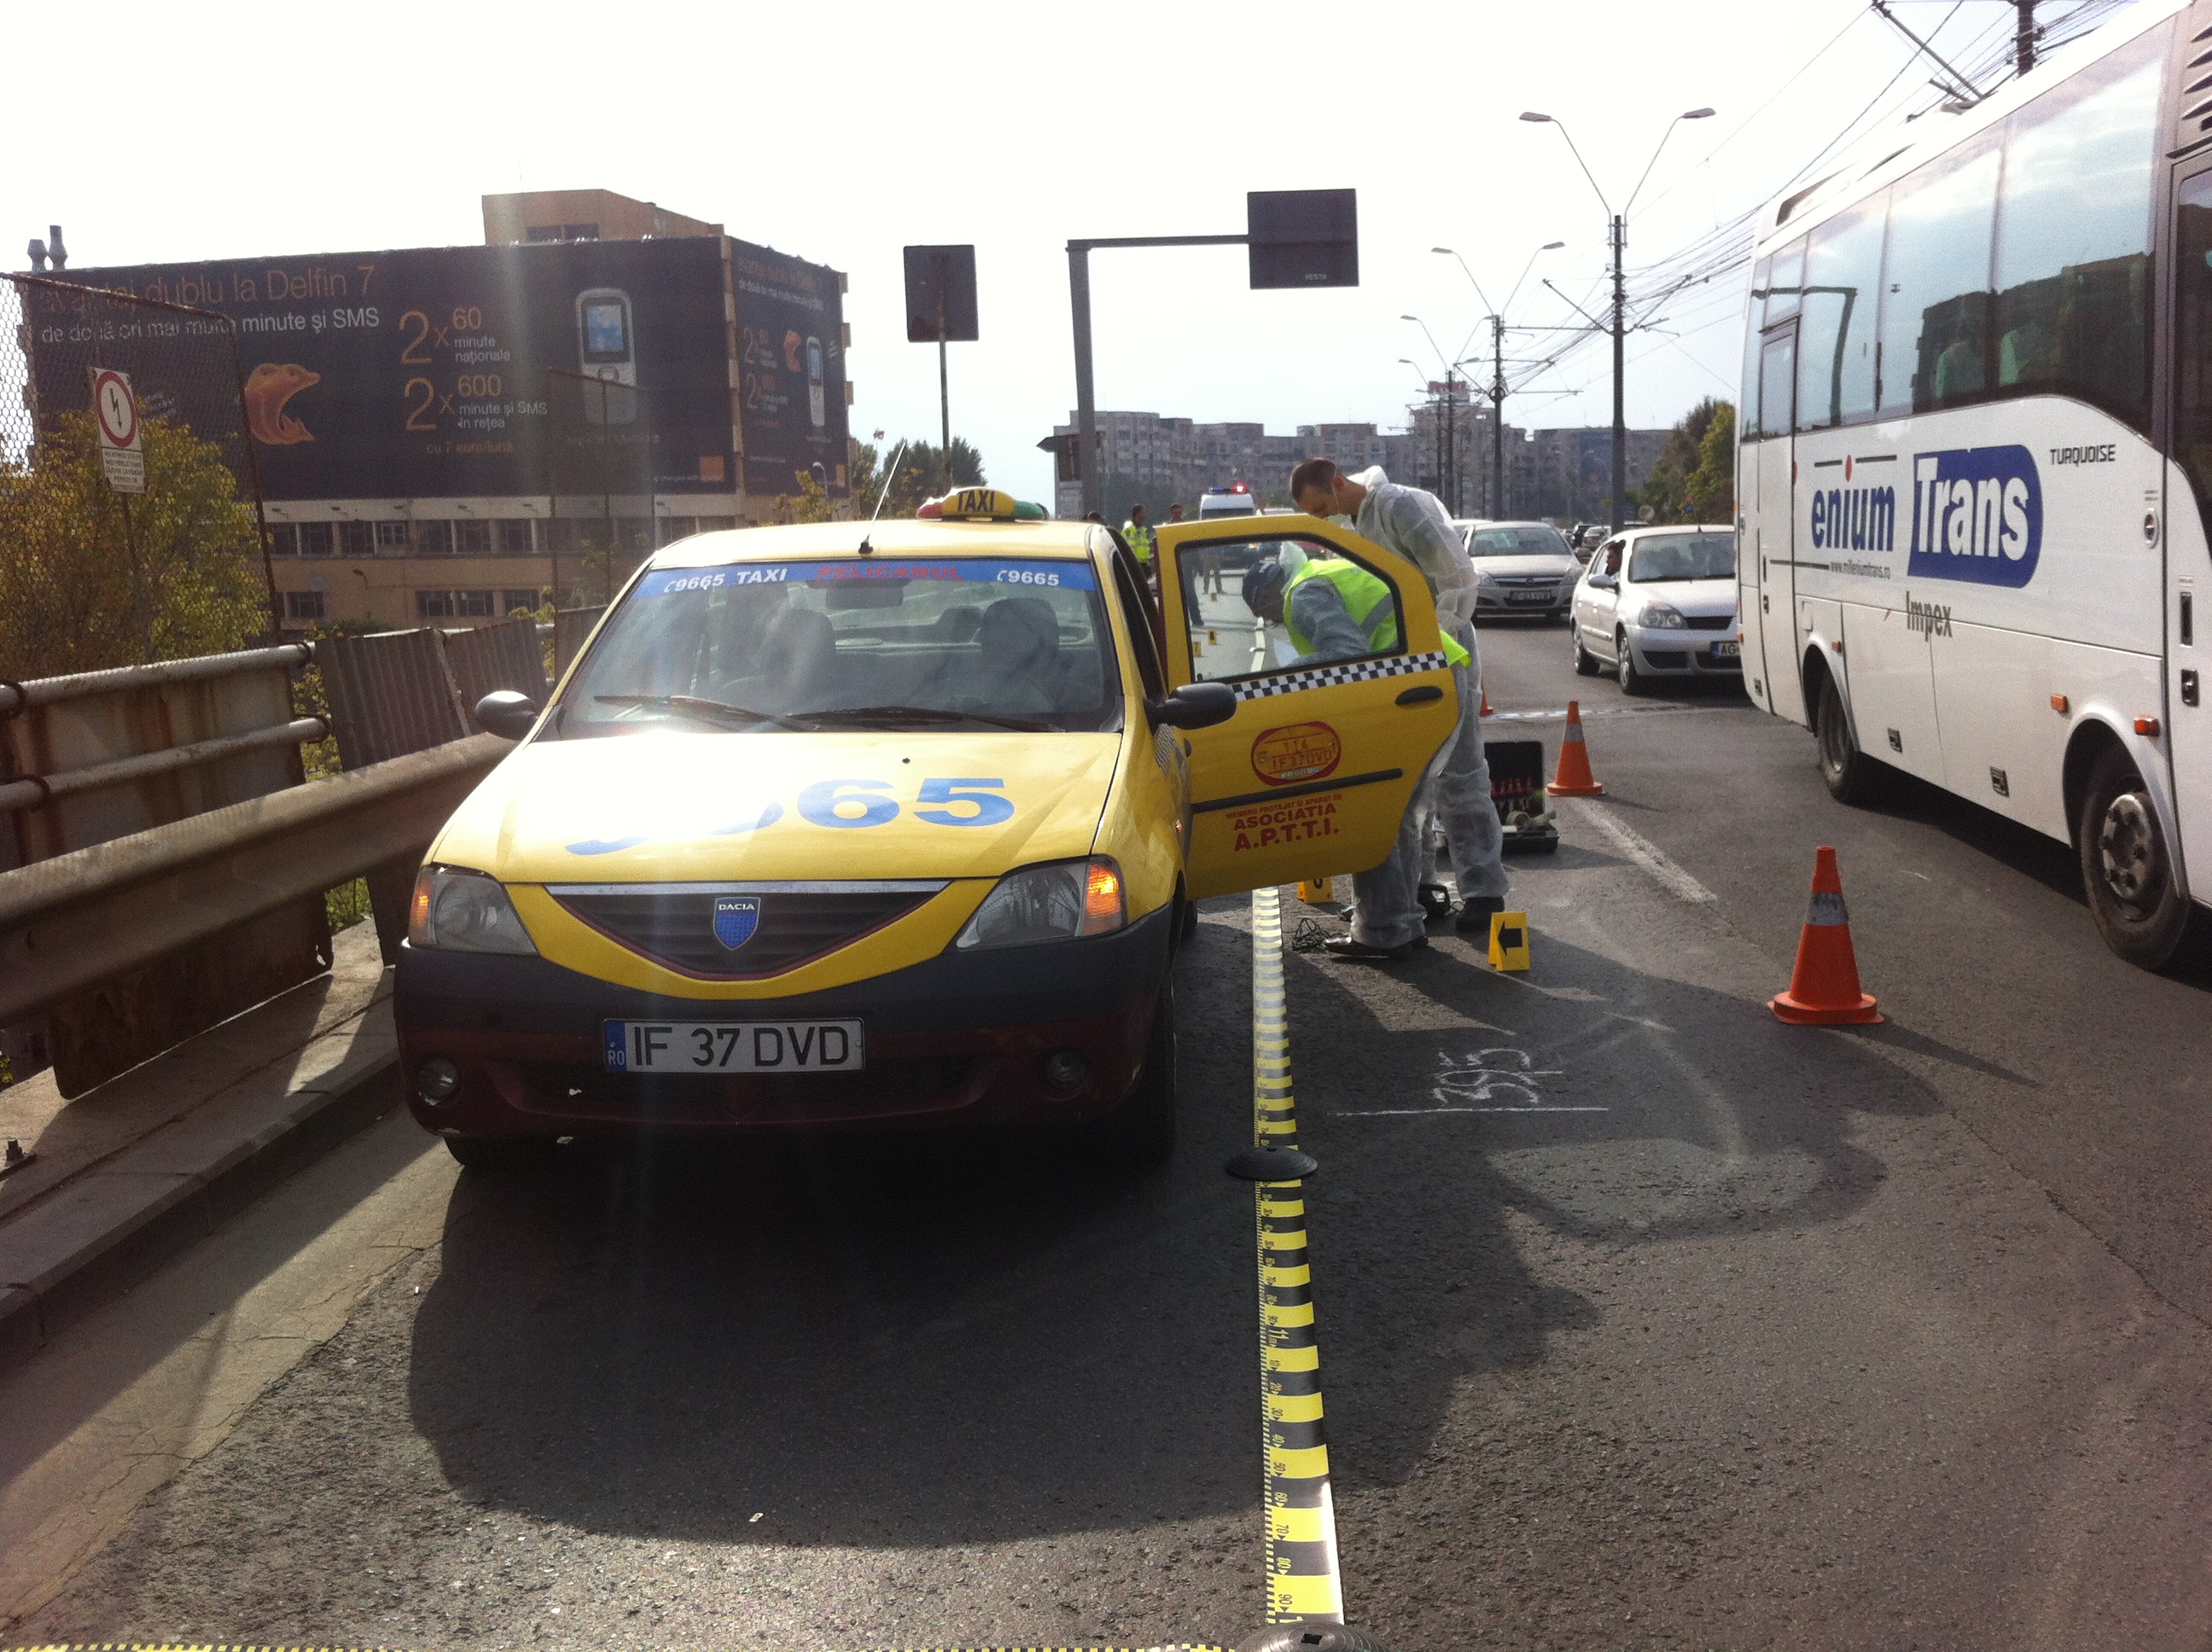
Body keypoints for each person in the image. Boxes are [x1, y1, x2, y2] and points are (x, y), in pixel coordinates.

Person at [1288, 456, 1506, 959]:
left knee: (1460, 771)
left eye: (1323, 506)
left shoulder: (1399, 507)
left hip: (1443, 651)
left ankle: (1484, 891)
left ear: (1339, 483)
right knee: (1411, 781)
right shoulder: (1357, 524)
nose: (1324, 520)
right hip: (1406, 658)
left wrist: (1435, 642)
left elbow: (1457, 578)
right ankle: (1418, 892)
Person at [1242, 547, 1474, 962]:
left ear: (1266, 596)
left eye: (1266, 613)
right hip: (1431, 674)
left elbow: (1347, 652)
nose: (1273, 620)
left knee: (1376, 811)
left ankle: (1386, 931)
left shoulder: (1303, 595)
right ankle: (1398, 922)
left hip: (1418, 684)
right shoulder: (1319, 573)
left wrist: (1285, 676)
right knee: (1399, 812)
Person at [1123, 503, 1156, 587]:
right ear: (1138, 513)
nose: (1145, 515)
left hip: (1144, 564)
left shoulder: (1142, 529)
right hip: (1135, 564)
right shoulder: (1130, 529)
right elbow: (1129, 547)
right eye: (1144, 513)